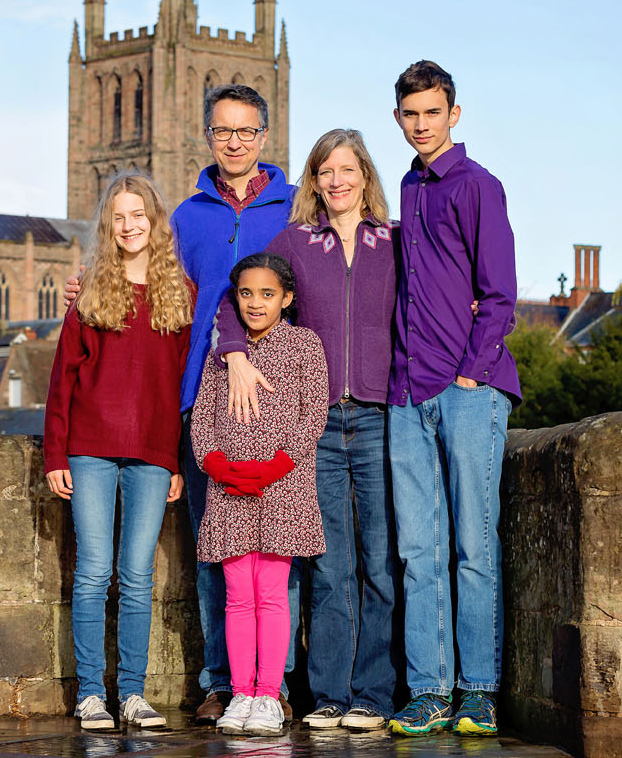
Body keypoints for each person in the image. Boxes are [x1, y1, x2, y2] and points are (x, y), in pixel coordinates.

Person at [66, 84, 298, 723]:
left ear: (263, 135)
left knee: (280, 554)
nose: (235, 142)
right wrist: (85, 290)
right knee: (213, 550)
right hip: (203, 402)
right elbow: (152, 282)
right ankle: (220, 682)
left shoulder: (291, 209)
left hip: (275, 401)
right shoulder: (188, 215)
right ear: (207, 136)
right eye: (224, 131)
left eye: (247, 131)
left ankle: (273, 685)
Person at [214, 129, 400, 730]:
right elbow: (238, 289)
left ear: (365, 176)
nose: (337, 181)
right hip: (315, 424)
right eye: (326, 171)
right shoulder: (296, 240)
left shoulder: (391, 243)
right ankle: (327, 693)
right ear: (314, 181)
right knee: (327, 563)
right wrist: (237, 351)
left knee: (379, 559)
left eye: (347, 169)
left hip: (376, 415)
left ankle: (372, 692)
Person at [386, 61, 522, 737]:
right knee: (419, 549)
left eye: (432, 112)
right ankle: (429, 691)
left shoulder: (477, 186)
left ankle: (478, 691)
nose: (421, 125)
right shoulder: (408, 190)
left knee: (473, 546)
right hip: (408, 392)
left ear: (454, 115)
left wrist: (472, 371)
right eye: (411, 114)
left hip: (468, 390)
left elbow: (500, 293)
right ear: (398, 119)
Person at [43, 173, 191, 730]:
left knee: (136, 575)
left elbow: (181, 386)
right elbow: (63, 379)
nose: (130, 226)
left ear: (155, 222)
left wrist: (175, 459)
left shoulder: (180, 294)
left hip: (152, 451)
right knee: (93, 571)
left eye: (139, 215)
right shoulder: (90, 293)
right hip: (90, 447)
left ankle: (131, 693)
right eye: (119, 217)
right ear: (108, 226)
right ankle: (90, 693)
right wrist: (55, 454)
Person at [191, 253, 328, 736]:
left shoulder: (304, 347)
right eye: (246, 293)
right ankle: (241, 692)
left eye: (267, 294)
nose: (255, 303)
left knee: (271, 596)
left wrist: (272, 467)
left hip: (283, 491)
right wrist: (218, 466)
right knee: (236, 597)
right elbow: (202, 420)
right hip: (229, 493)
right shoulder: (222, 354)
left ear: (287, 298)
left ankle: (269, 695)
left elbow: (312, 417)